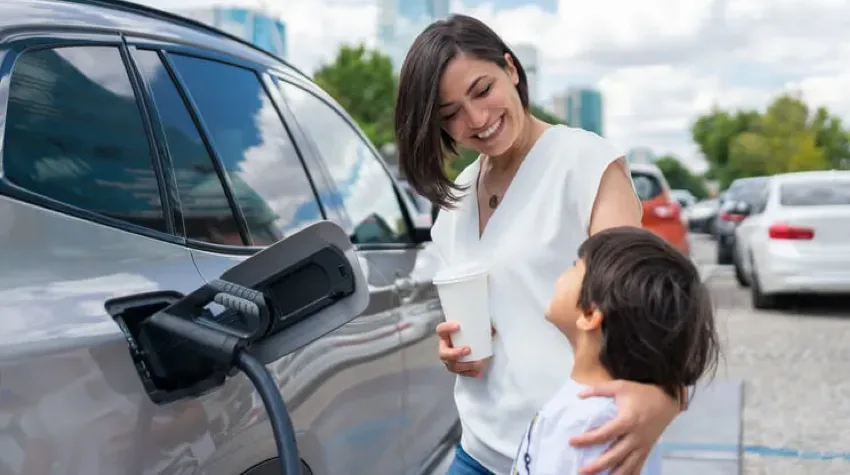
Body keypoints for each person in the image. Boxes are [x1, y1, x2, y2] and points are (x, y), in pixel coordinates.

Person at [394, 14, 689, 475]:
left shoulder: (584, 163)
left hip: (576, 452)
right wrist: (455, 348)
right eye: (450, 113)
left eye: (482, 90)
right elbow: (492, 317)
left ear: (511, 69)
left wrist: (668, 394)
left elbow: (647, 304)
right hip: (478, 449)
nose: (476, 119)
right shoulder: (457, 199)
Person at [509, 226, 720, 475]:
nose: (562, 274)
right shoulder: (606, 411)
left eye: (575, 265)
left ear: (590, 314)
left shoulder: (587, 424)